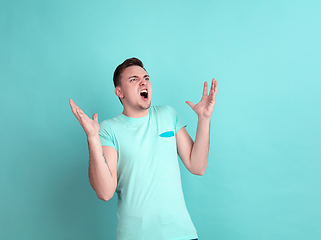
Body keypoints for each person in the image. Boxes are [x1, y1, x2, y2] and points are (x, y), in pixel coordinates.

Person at [69, 57, 218, 240]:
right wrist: (92, 138)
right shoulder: (108, 129)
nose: (143, 82)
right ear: (119, 92)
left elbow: (197, 167)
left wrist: (204, 118)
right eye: (133, 79)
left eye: (146, 78)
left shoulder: (167, 114)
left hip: (183, 235)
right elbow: (105, 192)